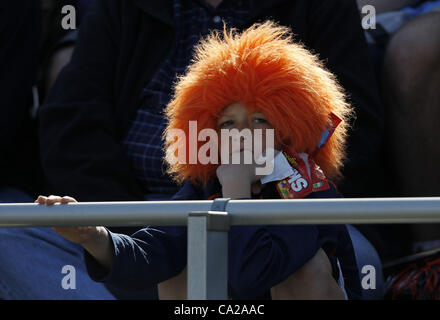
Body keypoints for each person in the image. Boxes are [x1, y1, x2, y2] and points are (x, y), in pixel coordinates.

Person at [1, 0, 383, 299]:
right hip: (139, 209)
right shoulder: (203, 187)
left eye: (261, 121)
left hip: (270, 265)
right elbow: (154, 251)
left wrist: (235, 192)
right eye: (227, 124)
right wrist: (96, 236)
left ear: (291, 131)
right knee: (179, 265)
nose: (242, 136)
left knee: (308, 271)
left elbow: (253, 273)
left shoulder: (304, 194)